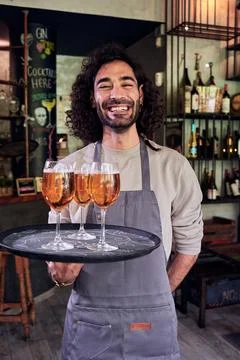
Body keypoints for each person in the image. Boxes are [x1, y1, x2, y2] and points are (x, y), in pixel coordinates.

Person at [47, 42, 203, 359]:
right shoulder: (68, 170)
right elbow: (58, 260)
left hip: (152, 323)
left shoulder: (174, 166)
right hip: (90, 322)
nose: (117, 94)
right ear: (92, 99)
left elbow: (189, 245)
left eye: (126, 83)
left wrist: (159, 295)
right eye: (105, 85)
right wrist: (61, 273)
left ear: (141, 94)